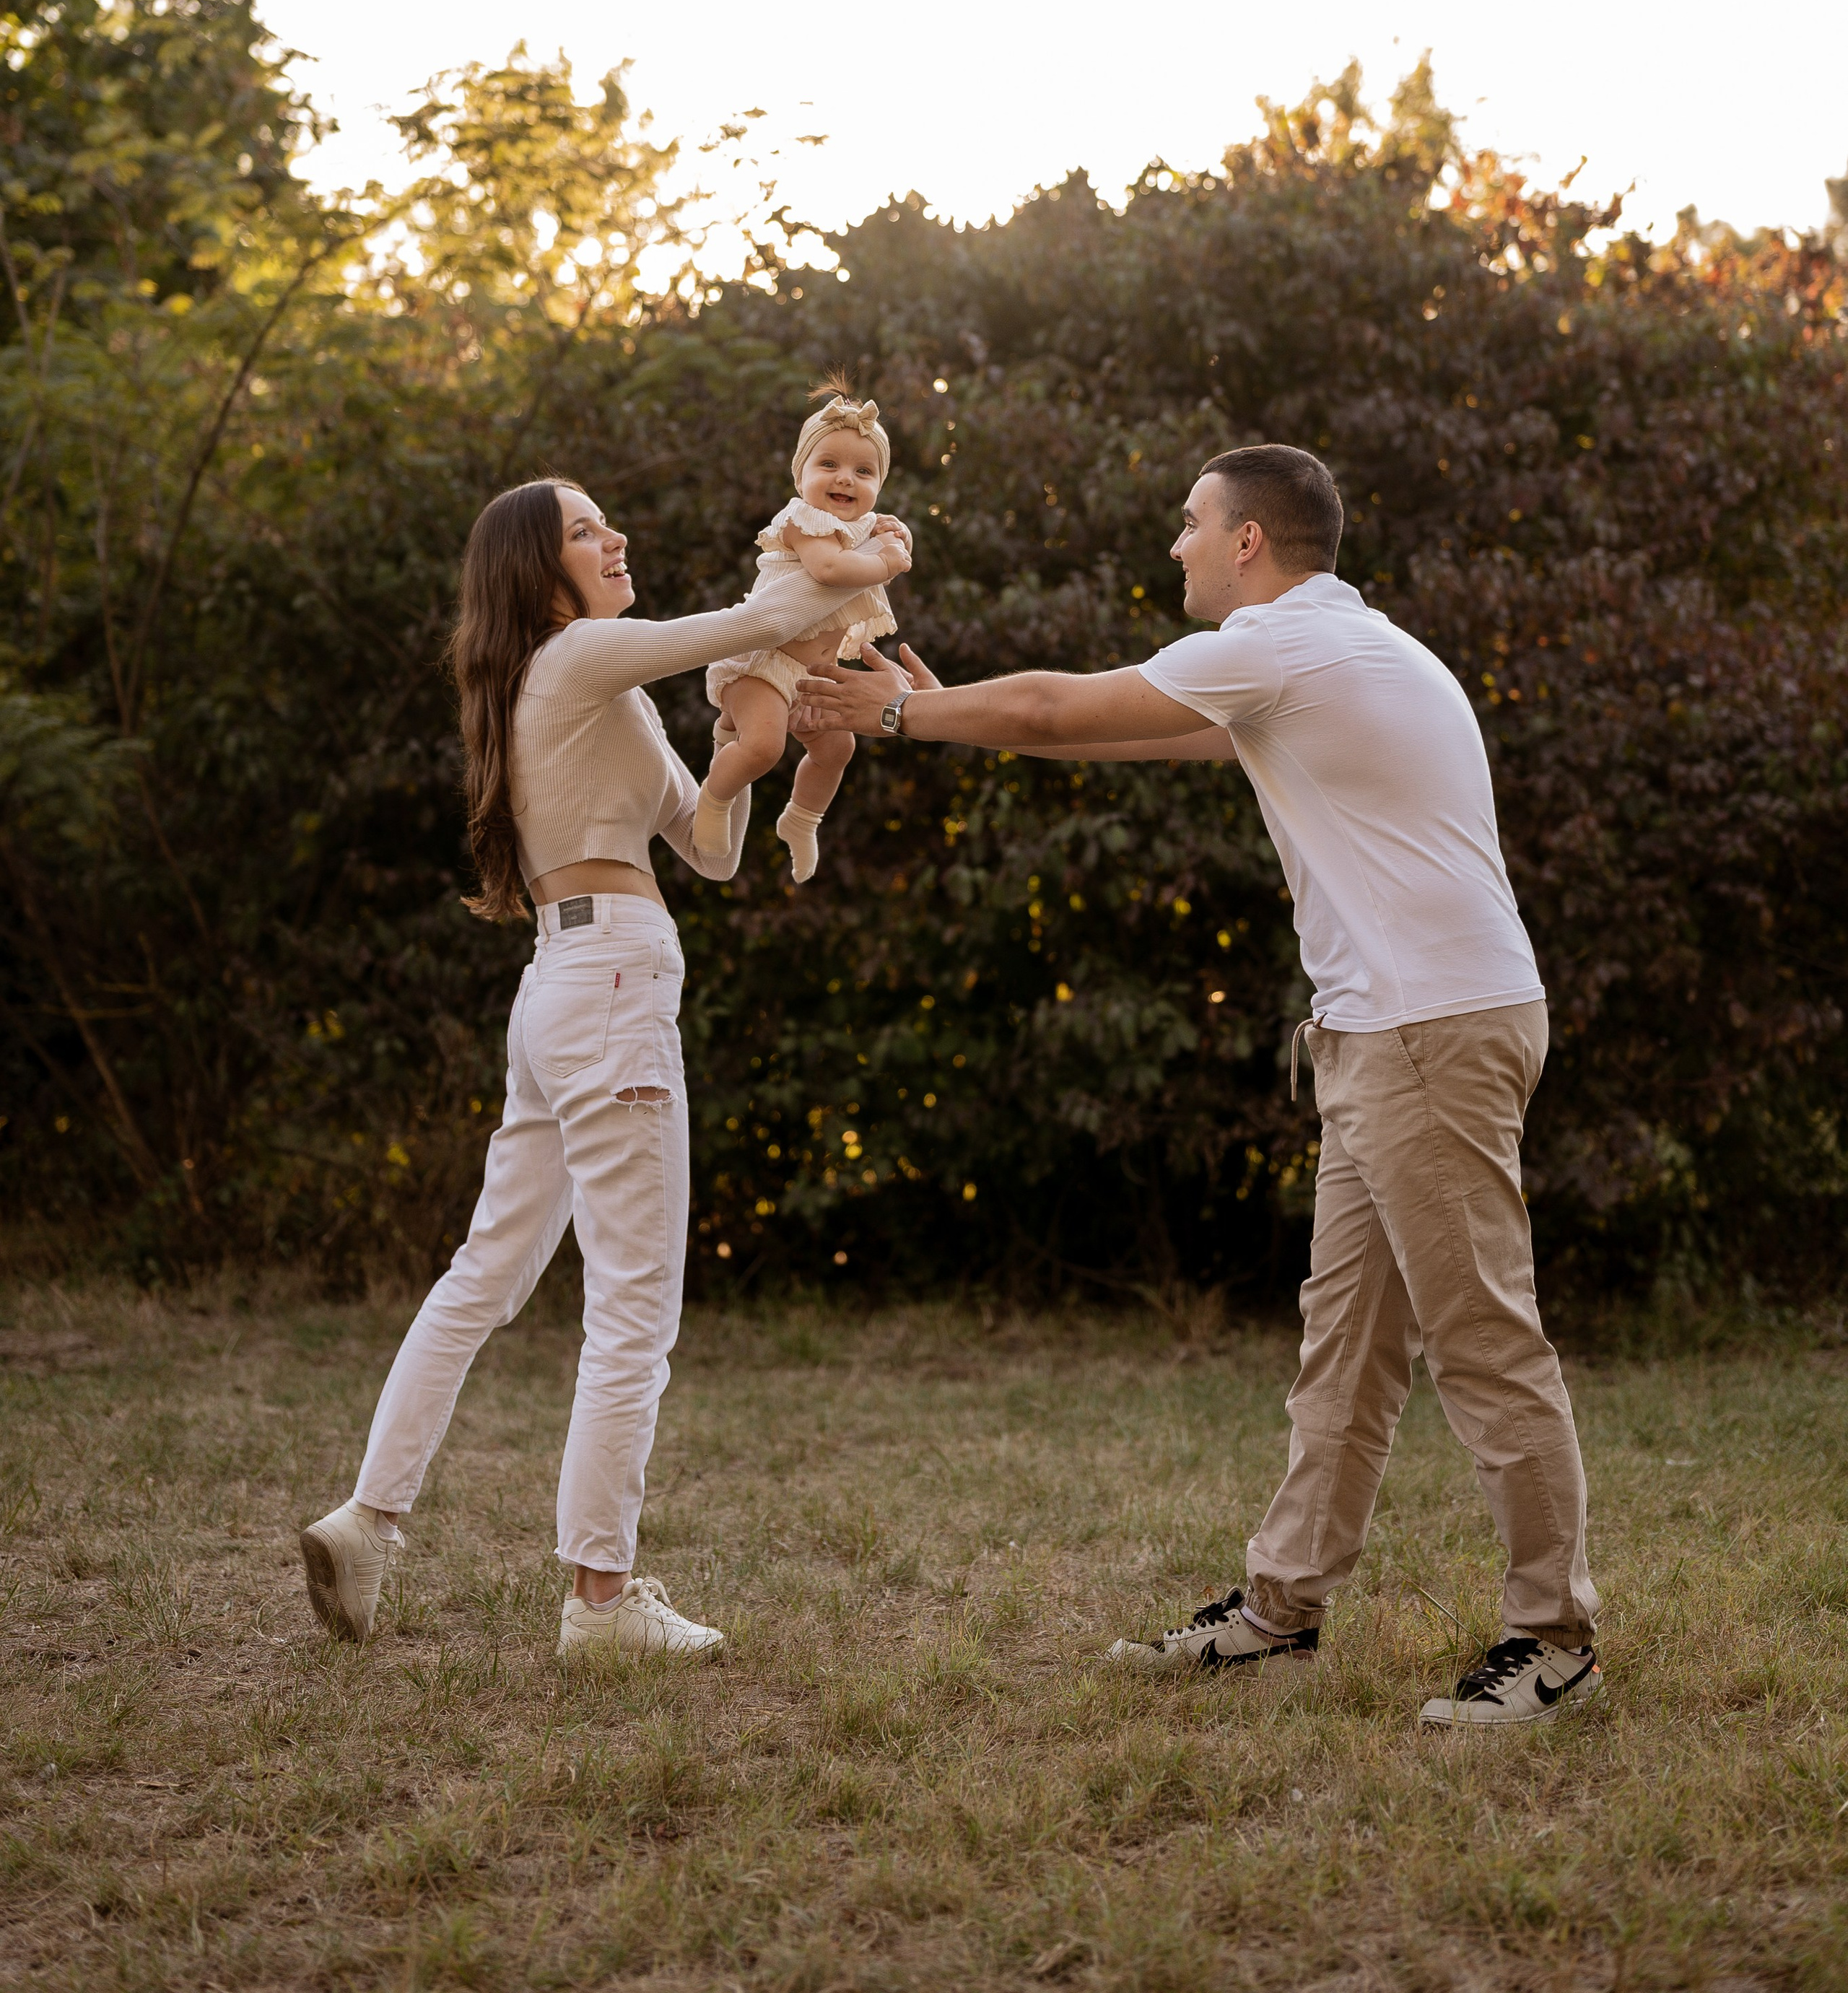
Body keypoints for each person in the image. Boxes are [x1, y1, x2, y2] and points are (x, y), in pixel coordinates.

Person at [795, 442, 1600, 1729]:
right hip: (1404, 1027)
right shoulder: (1347, 648)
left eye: (1190, 523)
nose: (1175, 545)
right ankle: (1281, 1611)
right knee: (1346, 1349)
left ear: (1247, 541)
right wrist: (946, 714)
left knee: (1483, 1341)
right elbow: (1130, 730)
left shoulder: (1282, 643)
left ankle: (1552, 1638)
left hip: (1426, 1035)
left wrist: (892, 715)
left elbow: (1060, 705)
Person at [299, 474, 855, 1665]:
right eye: (587, 530)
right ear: (538, 573)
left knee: (485, 1273)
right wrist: (854, 550)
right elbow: (757, 619)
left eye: (607, 522)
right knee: (633, 1303)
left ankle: (368, 1520)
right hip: (609, 989)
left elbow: (706, 849)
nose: (616, 538)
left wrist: (746, 757)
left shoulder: (581, 687)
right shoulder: (580, 656)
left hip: (566, 987)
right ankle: (601, 1602)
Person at [695, 381, 913, 883]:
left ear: (879, 486)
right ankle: (713, 799)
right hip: (763, 662)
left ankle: (801, 819)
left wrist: (899, 537)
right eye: (828, 465)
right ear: (801, 475)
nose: (845, 478)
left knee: (838, 750)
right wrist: (886, 560)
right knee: (764, 747)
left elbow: (895, 548)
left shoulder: (867, 527)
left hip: (815, 673)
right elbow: (830, 570)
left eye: (864, 471)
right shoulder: (801, 521)